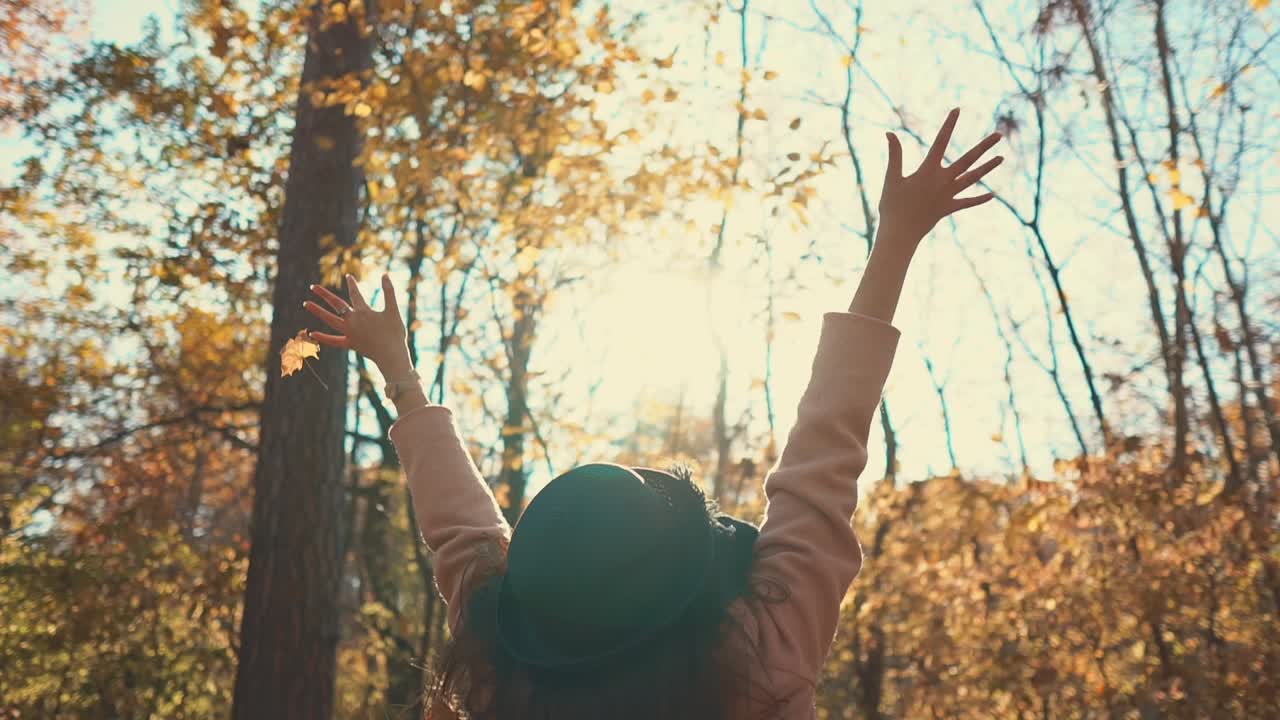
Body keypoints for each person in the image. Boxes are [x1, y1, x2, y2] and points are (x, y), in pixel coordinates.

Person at [304, 109, 1002, 719]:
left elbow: (460, 530)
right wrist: (896, 239)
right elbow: (826, 447)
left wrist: (399, 374)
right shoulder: (759, 658)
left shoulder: (499, 673)